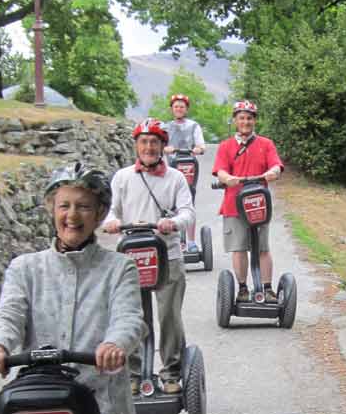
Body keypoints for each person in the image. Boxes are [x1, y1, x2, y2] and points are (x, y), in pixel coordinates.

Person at [0, 162, 146, 414]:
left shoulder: (120, 268)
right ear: (52, 209)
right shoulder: (25, 268)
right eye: (64, 206)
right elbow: (9, 313)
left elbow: (128, 317)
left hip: (102, 400)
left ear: (99, 213)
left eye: (84, 207)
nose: (72, 216)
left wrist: (114, 343)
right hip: (38, 399)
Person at [103, 118, 195, 395]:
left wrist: (174, 223)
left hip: (168, 255)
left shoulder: (176, 178)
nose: (149, 147)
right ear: (136, 146)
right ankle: (133, 373)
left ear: (163, 146)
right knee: (133, 316)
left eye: (154, 142)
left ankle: (171, 372)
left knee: (169, 316)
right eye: (143, 141)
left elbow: (188, 212)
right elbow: (111, 210)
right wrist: (111, 222)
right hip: (131, 256)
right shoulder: (122, 177)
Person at [212, 100, 284, 304]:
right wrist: (227, 178)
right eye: (241, 118)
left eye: (249, 118)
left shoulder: (266, 144)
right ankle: (242, 288)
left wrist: (273, 172)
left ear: (254, 121)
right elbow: (221, 170)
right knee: (239, 247)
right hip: (234, 206)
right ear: (235, 120)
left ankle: (268, 289)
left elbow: (276, 165)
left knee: (262, 247)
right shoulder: (226, 146)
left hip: (258, 205)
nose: (245, 122)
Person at [162, 93, 206, 253]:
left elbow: (201, 145)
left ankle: (191, 241)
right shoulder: (165, 127)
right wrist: (164, 148)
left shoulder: (193, 126)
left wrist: (198, 149)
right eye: (176, 106)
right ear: (172, 109)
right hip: (171, 168)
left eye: (182, 106)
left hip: (189, 167)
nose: (179, 109)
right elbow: (160, 145)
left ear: (186, 109)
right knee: (171, 204)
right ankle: (175, 241)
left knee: (189, 203)